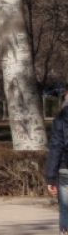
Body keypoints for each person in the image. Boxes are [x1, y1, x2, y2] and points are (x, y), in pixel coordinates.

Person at [46, 91, 68, 235]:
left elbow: (56, 147)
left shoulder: (60, 119)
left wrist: (51, 177)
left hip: (65, 168)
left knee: (66, 207)